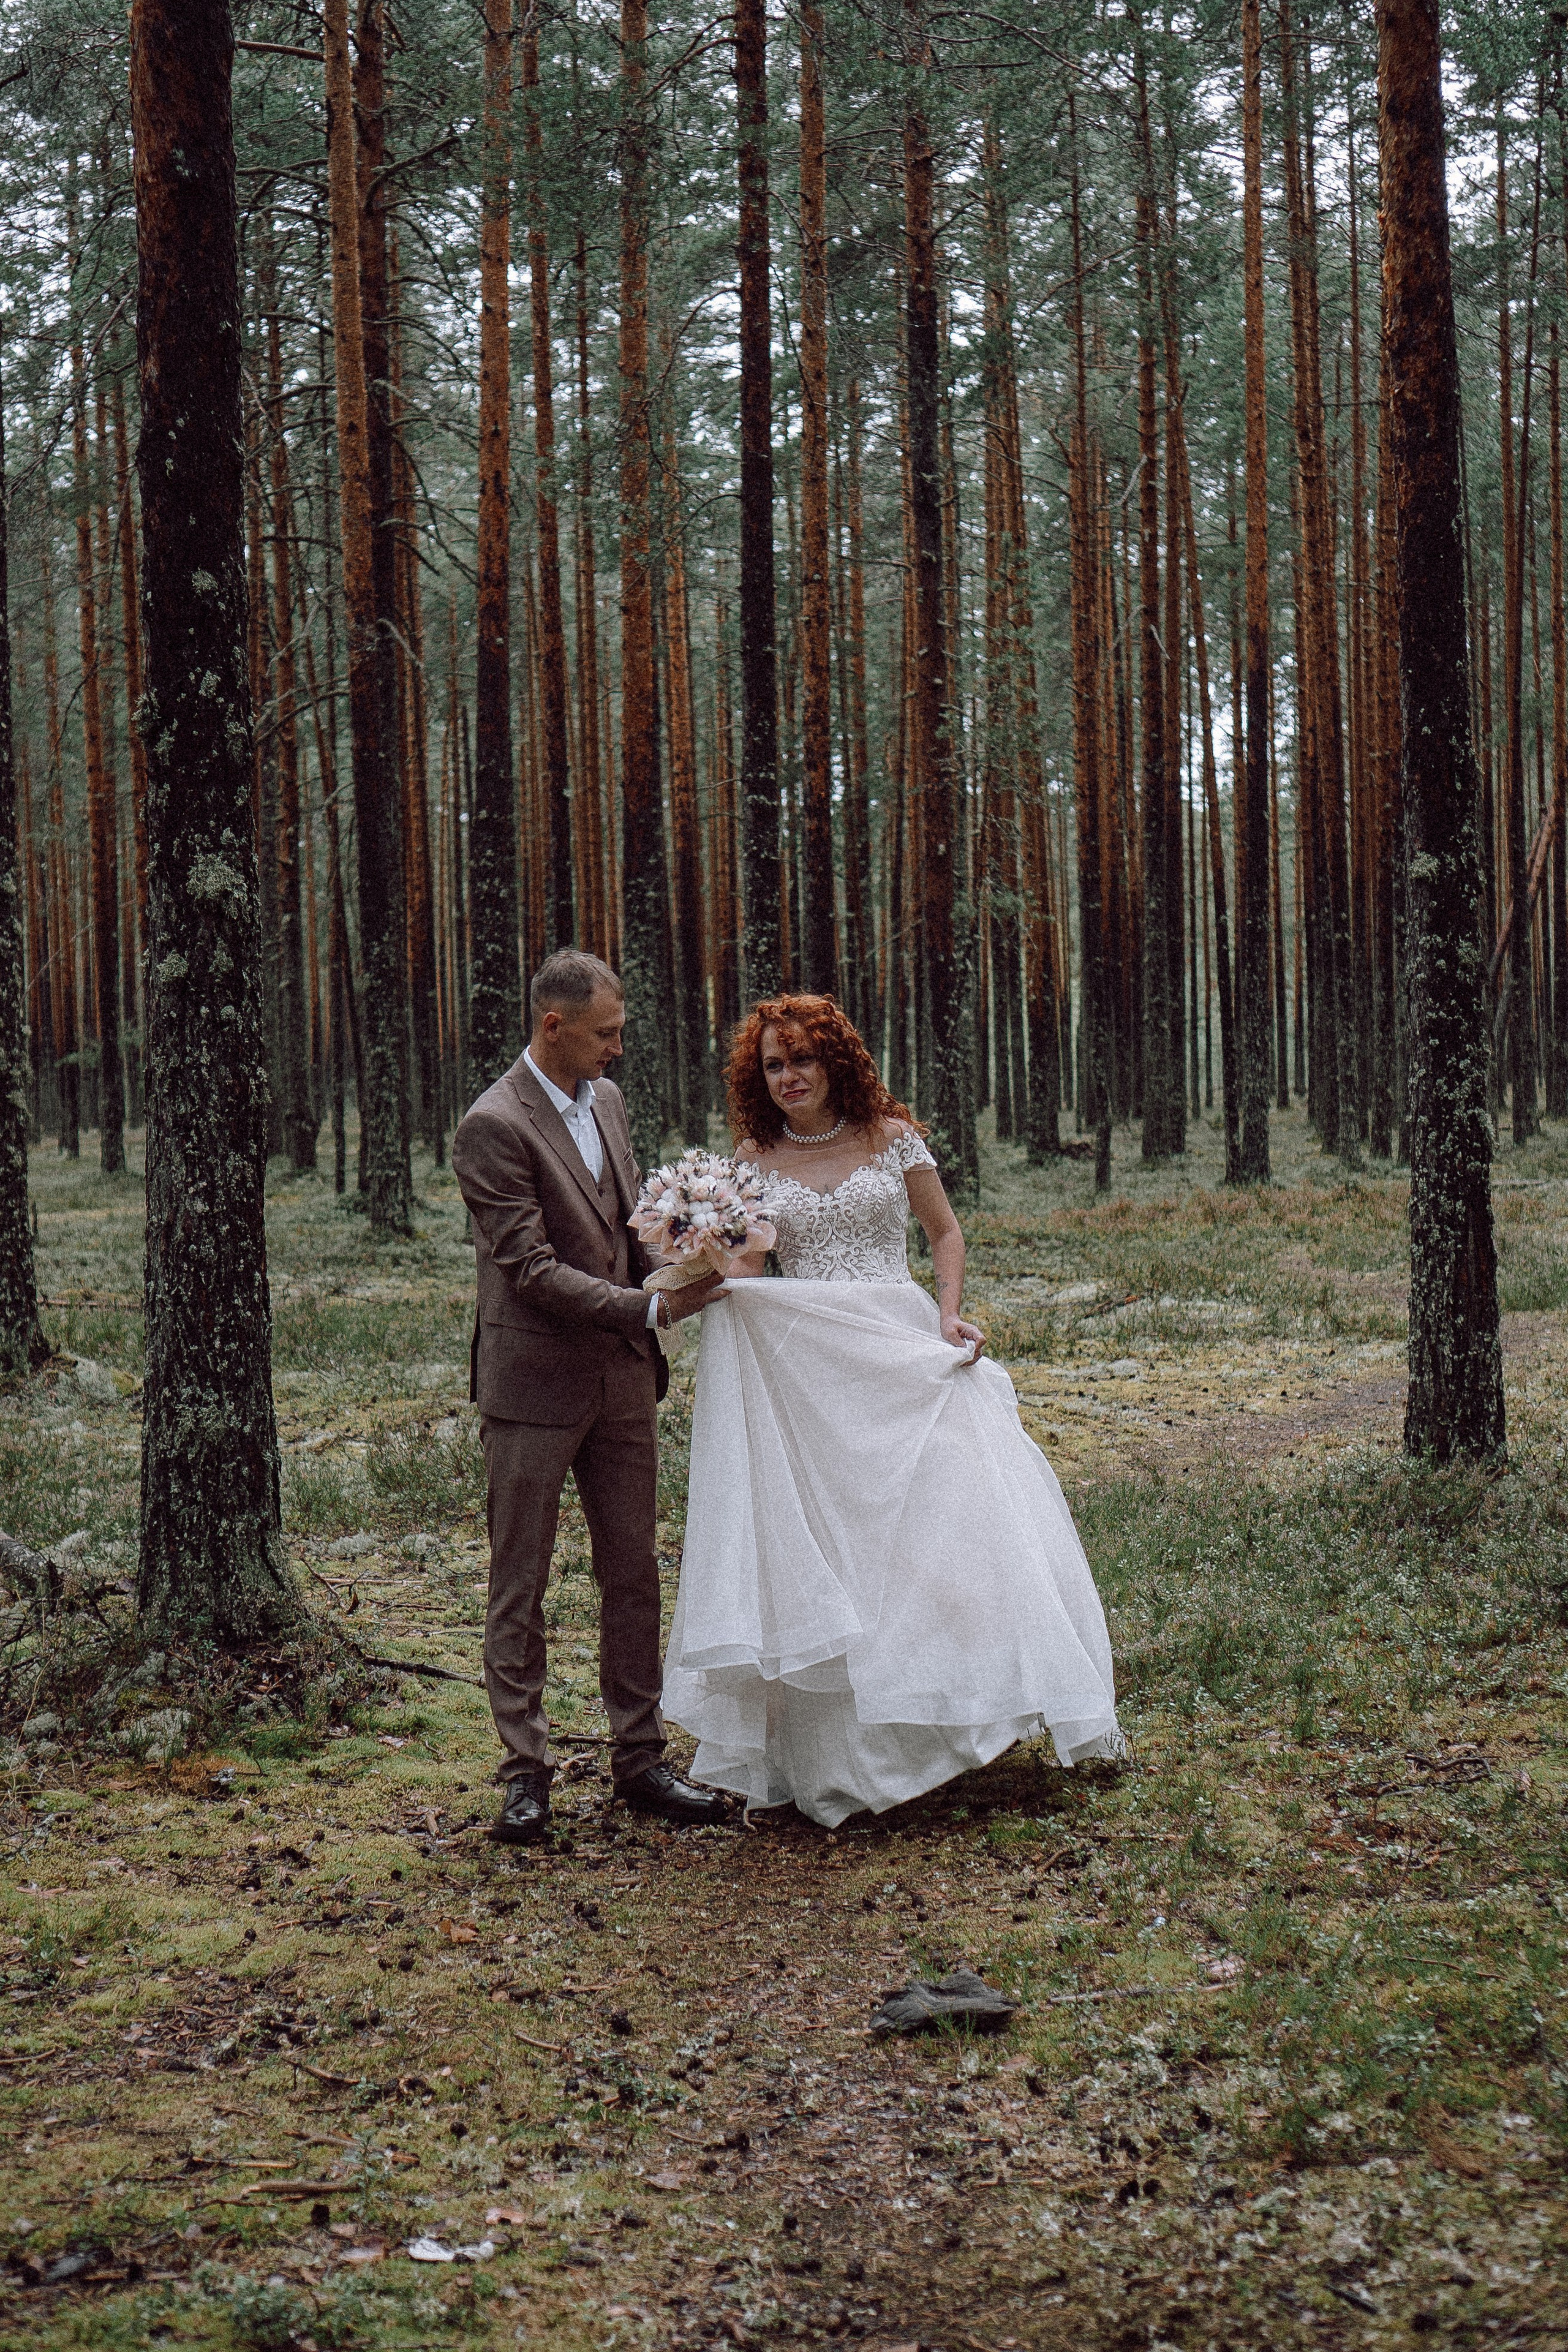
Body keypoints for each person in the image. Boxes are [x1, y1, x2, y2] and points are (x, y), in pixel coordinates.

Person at [660, 993, 1123, 1828]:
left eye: (803, 1057)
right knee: (832, 1543)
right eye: (774, 1063)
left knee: (940, 1531)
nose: (790, 1075)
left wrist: (948, 1312)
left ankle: (949, 1712)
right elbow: (756, 1276)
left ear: (836, 1058)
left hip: (899, 1349)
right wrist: (709, 1250)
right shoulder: (753, 1158)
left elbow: (943, 1232)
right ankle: (840, 1753)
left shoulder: (891, 1136)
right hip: (810, 1368)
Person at [451, 949, 729, 1844]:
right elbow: (529, 1270)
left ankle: (640, 1759)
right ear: (553, 1028)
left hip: (620, 1379)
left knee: (633, 1575)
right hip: (532, 1384)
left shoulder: (606, 1102)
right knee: (520, 1583)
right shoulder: (491, 1126)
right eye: (606, 1033)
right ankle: (524, 1774)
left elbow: (624, 1227)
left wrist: (692, 1260)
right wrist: (648, 1306)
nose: (619, 1048)